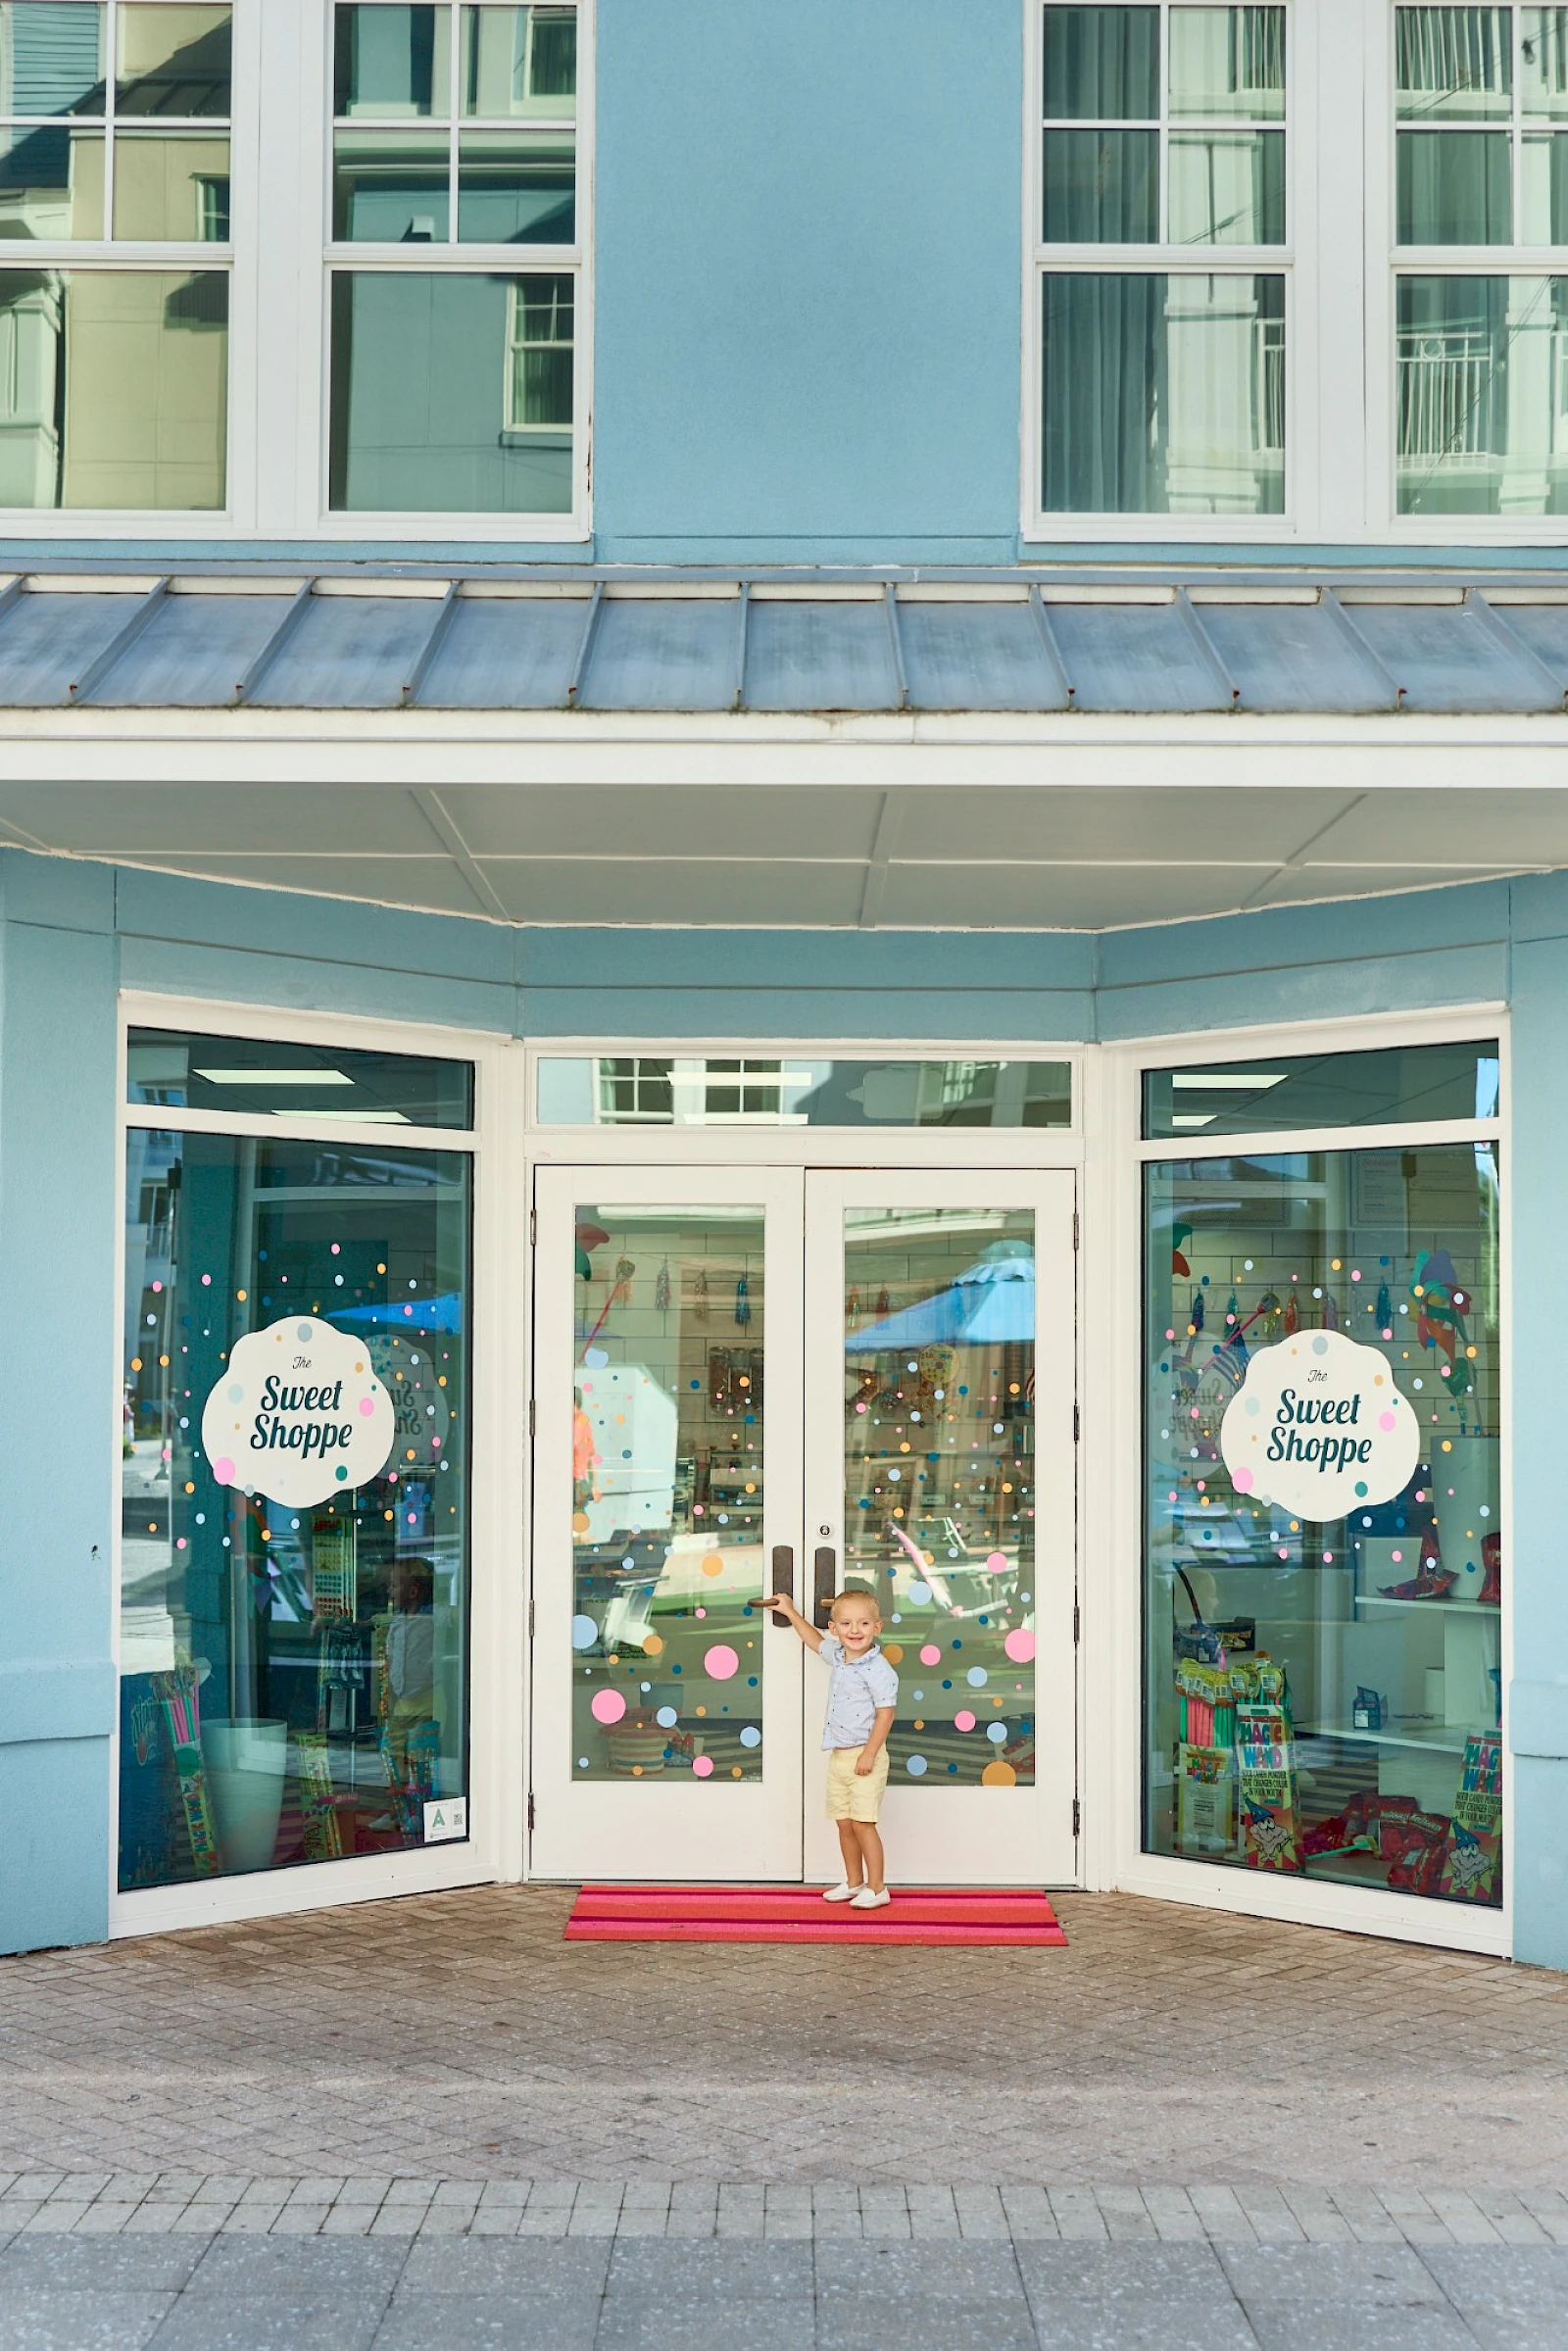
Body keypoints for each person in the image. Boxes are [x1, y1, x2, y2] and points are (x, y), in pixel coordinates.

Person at [759, 1582, 898, 1909]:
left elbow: (886, 1714)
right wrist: (790, 1611)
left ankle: (877, 1888)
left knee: (864, 1824)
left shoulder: (878, 1669)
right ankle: (854, 1882)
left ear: (877, 1627)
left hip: (866, 1757)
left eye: (864, 1623)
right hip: (840, 1756)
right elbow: (814, 1641)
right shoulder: (838, 1656)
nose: (855, 1630)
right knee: (845, 1823)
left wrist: (869, 1753)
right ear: (835, 1628)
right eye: (846, 1624)